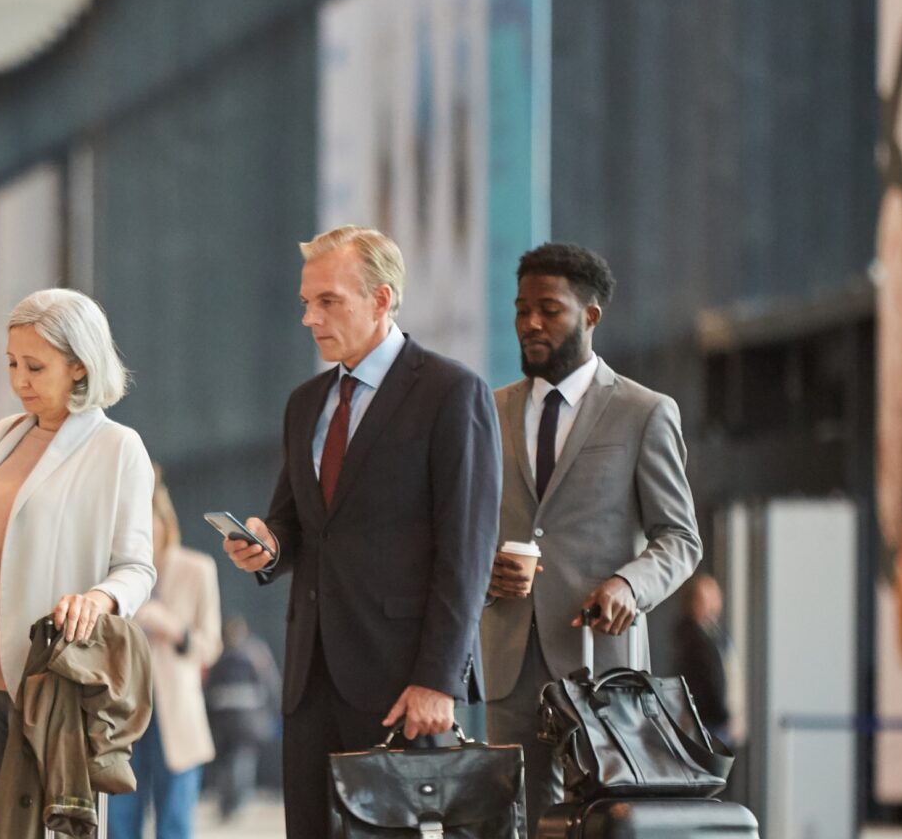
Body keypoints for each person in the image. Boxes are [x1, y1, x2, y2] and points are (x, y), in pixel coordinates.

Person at [222, 225, 500, 839]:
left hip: (402, 684)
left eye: (328, 301)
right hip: (308, 680)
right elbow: (294, 524)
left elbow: (467, 553)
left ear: (380, 299)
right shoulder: (305, 403)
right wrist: (266, 548)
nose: (309, 318)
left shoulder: (451, 393)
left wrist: (437, 679)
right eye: (305, 302)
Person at [0, 288, 160, 839]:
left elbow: (137, 567)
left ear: (79, 367)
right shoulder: (3, 435)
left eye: (35, 367)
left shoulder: (118, 448)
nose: (19, 380)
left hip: (52, 682)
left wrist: (98, 598)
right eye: (13, 363)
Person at [480, 243, 703, 825]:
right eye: (521, 308)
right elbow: (463, 527)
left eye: (548, 309)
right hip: (510, 658)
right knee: (513, 820)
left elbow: (679, 538)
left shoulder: (644, 411)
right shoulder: (487, 411)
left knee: (605, 821)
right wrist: (484, 568)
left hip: (604, 663)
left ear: (590, 315)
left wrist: (629, 586)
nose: (530, 322)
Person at [106, 468, 223, 839]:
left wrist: (172, 627)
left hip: (177, 716)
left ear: (164, 522)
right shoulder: (112, 574)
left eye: (149, 523)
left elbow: (210, 647)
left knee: (175, 823)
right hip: (122, 714)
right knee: (119, 821)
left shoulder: (197, 568)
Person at [202, 618, 280, 824]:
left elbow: (207, 686)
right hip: (248, 718)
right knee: (242, 759)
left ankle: (228, 802)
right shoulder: (256, 652)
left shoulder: (218, 653)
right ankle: (235, 802)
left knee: (226, 761)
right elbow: (270, 684)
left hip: (222, 717)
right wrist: (271, 713)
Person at [670, 574, 731, 751]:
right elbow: (707, 681)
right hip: (706, 722)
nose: (712, 604)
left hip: (714, 721)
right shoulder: (692, 637)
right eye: (705, 599)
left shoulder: (713, 633)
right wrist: (724, 716)